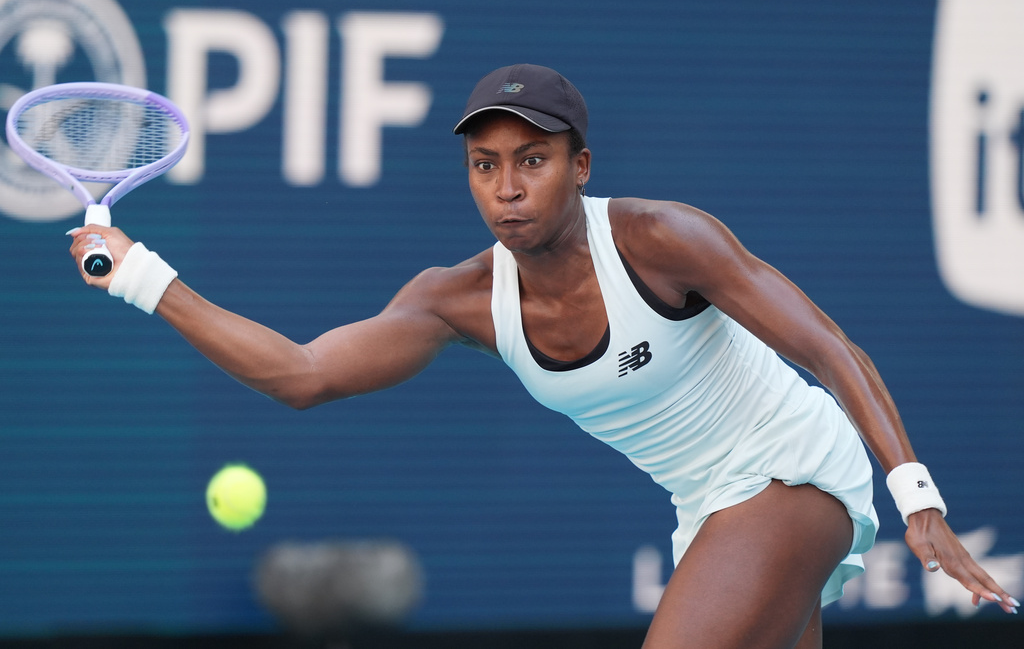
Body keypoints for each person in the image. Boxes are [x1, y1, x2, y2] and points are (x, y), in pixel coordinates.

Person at [68, 64, 1017, 648]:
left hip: (793, 478)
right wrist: (144, 277)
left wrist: (917, 496)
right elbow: (302, 375)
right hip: (709, 512)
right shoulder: (460, 298)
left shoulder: (663, 238)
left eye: (533, 160)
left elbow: (827, 345)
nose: (508, 188)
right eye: (486, 166)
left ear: (582, 166)